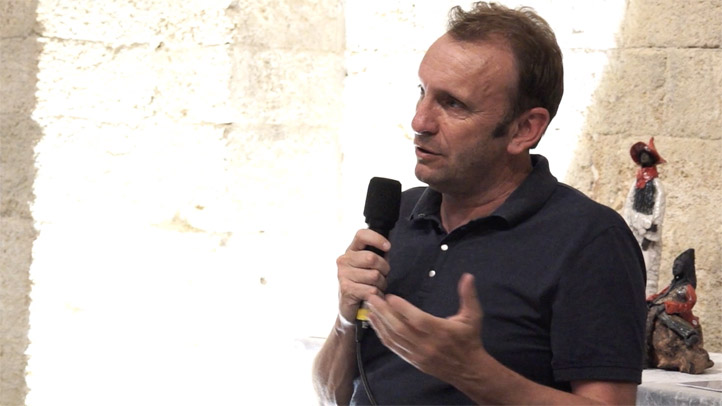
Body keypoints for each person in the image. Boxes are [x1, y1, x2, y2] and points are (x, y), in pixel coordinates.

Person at [313, 2, 647, 405]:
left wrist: (472, 372)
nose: (420, 122)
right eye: (423, 93)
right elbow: (331, 394)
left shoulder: (590, 239)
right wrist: (346, 316)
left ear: (524, 129)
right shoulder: (398, 216)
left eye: (453, 104)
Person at [622, 138, 666, 297]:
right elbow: (629, 203)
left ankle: (646, 299)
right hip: (635, 228)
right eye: (642, 155)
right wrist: (627, 226)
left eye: (647, 155)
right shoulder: (636, 184)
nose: (644, 158)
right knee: (632, 264)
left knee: (648, 267)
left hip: (648, 231)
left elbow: (659, 209)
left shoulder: (656, 185)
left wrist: (650, 235)